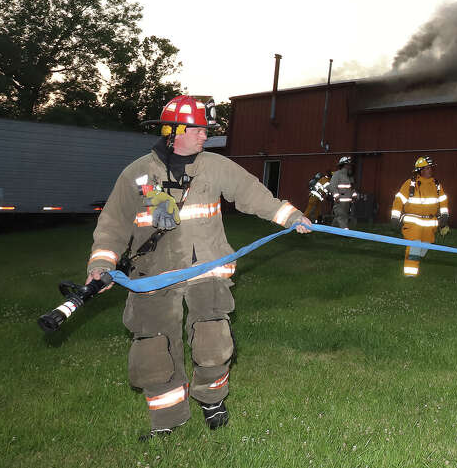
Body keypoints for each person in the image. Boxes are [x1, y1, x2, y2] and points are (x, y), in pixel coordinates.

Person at [84, 95, 312, 441]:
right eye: (197, 130)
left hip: (208, 267)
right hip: (154, 275)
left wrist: (290, 217)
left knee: (213, 339)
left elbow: (253, 194)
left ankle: (212, 401)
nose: (205, 136)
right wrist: (101, 263)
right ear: (172, 131)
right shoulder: (137, 174)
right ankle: (166, 420)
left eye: (206, 130)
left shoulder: (216, 167)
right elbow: (113, 224)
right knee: (153, 349)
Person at [390, 155, 450, 277]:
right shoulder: (410, 183)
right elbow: (399, 200)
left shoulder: (436, 185)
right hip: (413, 223)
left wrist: (444, 215)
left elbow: (443, 201)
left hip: (430, 224)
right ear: (420, 170)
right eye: (427, 168)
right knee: (414, 247)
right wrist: (395, 217)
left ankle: (414, 262)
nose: (430, 170)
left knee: (424, 248)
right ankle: (410, 276)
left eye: (430, 168)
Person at [329, 156, 358, 229]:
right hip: (340, 200)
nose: (350, 166)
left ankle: (332, 230)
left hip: (348, 201)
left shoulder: (349, 176)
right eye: (348, 165)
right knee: (341, 216)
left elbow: (352, 188)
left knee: (341, 215)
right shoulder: (337, 174)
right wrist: (336, 196)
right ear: (344, 165)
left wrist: (354, 196)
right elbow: (332, 186)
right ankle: (345, 232)